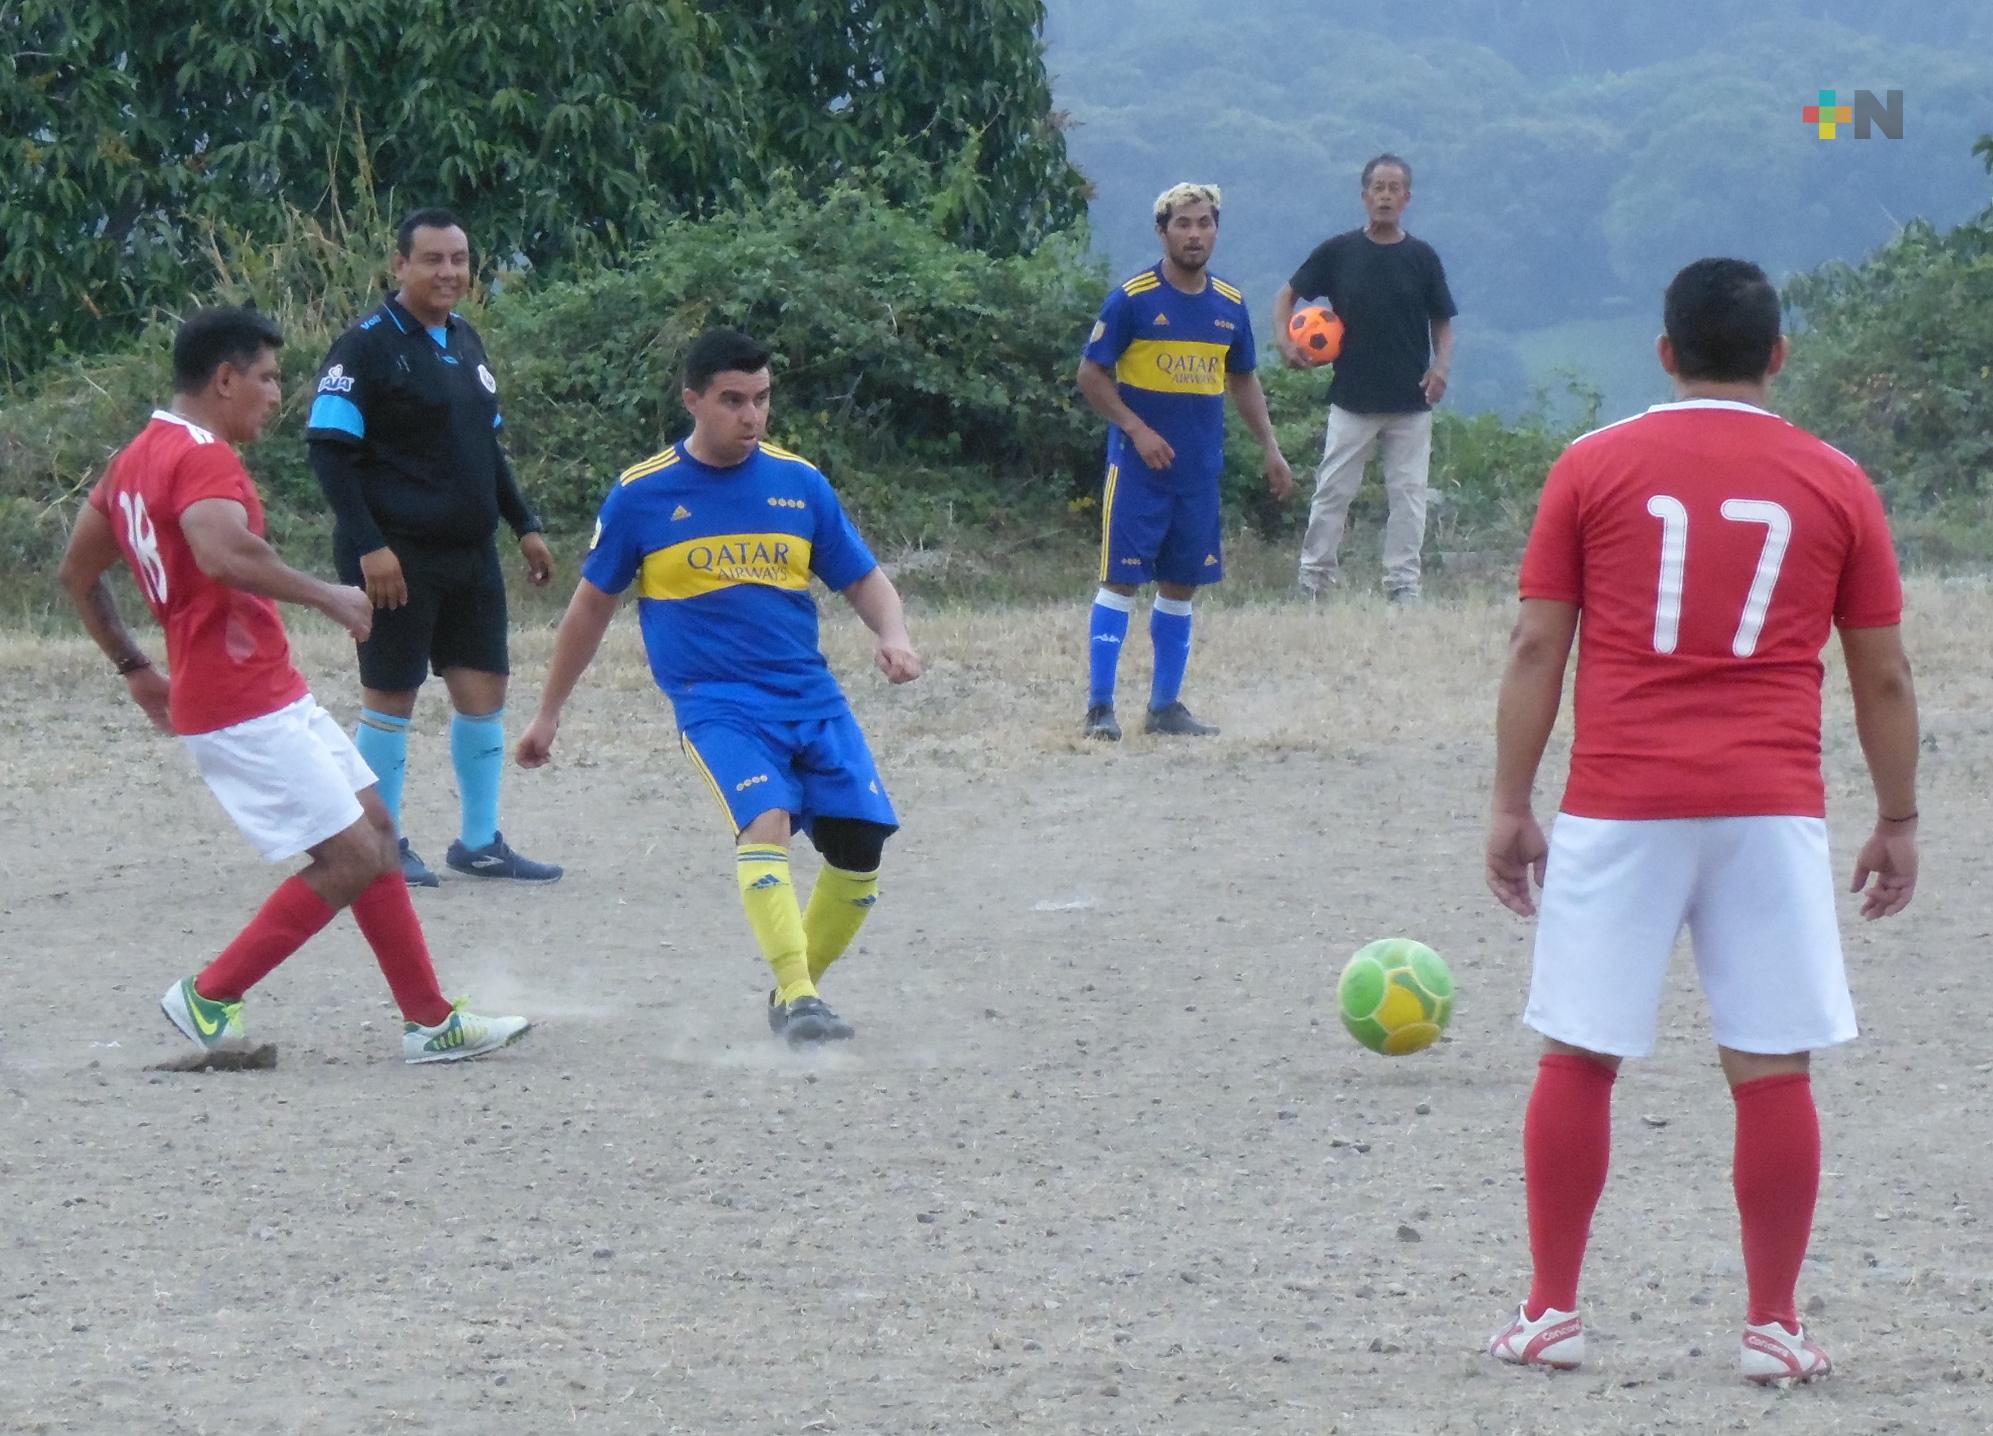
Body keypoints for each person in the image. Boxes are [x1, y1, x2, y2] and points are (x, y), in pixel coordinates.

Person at [1482, 258, 1918, 1384]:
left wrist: (1509, 800)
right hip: (1770, 806)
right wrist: (1898, 814)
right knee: (1772, 1066)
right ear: (1777, 355)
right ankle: (1773, 1322)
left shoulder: (1591, 464)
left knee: (1580, 1049)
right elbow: (1881, 679)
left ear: (1665, 353)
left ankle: (1550, 1309)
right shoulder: (1835, 480)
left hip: (1621, 800)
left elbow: (1538, 645)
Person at [56, 306, 531, 1064]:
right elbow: (220, 552)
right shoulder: (201, 456)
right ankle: (211, 994)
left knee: (376, 830)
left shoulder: (134, 459)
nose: (277, 395)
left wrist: (136, 670)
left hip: (261, 691)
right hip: (239, 702)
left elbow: (78, 574)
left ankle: (429, 1020)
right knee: (348, 857)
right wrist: (328, 593)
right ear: (223, 379)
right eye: (269, 378)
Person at [515, 329, 922, 1044]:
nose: (751, 417)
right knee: (764, 822)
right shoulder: (643, 495)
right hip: (717, 704)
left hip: (811, 698)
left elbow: (861, 577)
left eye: (761, 400)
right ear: (692, 401)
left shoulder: (799, 484)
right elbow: (589, 609)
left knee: (860, 848)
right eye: (732, 401)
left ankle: (793, 991)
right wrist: (548, 714)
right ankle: (798, 999)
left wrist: (892, 634)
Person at [307, 207, 562, 887]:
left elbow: (489, 450)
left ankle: (479, 843)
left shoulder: (466, 341)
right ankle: (381, 849)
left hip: (469, 554)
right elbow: (330, 455)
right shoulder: (363, 346)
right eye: (433, 259)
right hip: (397, 557)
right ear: (400, 266)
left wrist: (525, 524)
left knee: (484, 688)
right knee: (391, 695)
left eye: (459, 258)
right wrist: (369, 547)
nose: (448, 271)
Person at [1077, 182, 1295, 741]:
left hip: (1198, 474)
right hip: (1138, 471)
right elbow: (1090, 375)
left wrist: (1270, 448)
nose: (1195, 234)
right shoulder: (1134, 298)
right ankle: (1100, 708)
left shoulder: (1229, 304)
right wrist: (1136, 428)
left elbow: (1243, 378)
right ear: (1162, 230)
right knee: (1120, 581)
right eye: (1184, 224)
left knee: (1181, 585)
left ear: (1216, 229)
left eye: (1204, 223)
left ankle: (1165, 707)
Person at [1275, 153, 1457, 601]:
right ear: (1364, 195)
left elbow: (1444, 322)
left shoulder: (1422, 257)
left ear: (1407, 198)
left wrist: (1441, 368)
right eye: (1378, 187)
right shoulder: (1339, 252)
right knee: (1333, 490)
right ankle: (1313, 581)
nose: (1386, 196)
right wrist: (1284, 340)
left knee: (1409, 497)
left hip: (1410, 401)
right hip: (1352, 398)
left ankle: (1403, 586)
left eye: (1395, 188)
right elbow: (1287, 295)